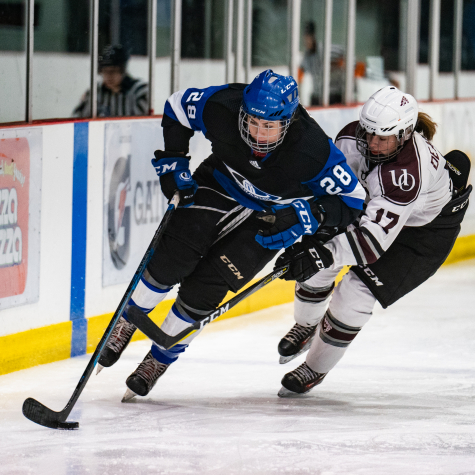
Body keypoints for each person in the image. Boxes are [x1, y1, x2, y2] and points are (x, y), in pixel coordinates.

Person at [97, 69, 366, 401]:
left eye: (269, 126)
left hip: (273, 215)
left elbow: (354, 199)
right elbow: (177, 108)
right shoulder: (223, 105)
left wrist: (307, 215)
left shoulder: (312, 150)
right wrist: (174, 161)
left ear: (289, 121)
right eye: (252, 121)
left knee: (207, 286)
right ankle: (126, 323)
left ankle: (157, 360)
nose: (257, 132)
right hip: (219, 184)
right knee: (171, 257)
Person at [274, 86, 472, 397]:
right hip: (380, 207)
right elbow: (340, 196)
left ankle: (315, 368)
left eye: (383, 138)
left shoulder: (406, 174)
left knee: (354, 294)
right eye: (369, 134)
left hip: (424, 232)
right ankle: (305, 326)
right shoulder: (351, 138)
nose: (372, 144)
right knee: (318, 262)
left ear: (405, 134)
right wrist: (320, 238)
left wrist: (321, 253)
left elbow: (368, 245)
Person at [73, 44, 148, 118]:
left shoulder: (139, 91)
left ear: (123, 71)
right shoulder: (95, 93)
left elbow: (143, 124)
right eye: (105, 71)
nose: (109, 76)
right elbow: (78, 118)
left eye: (113, 71)